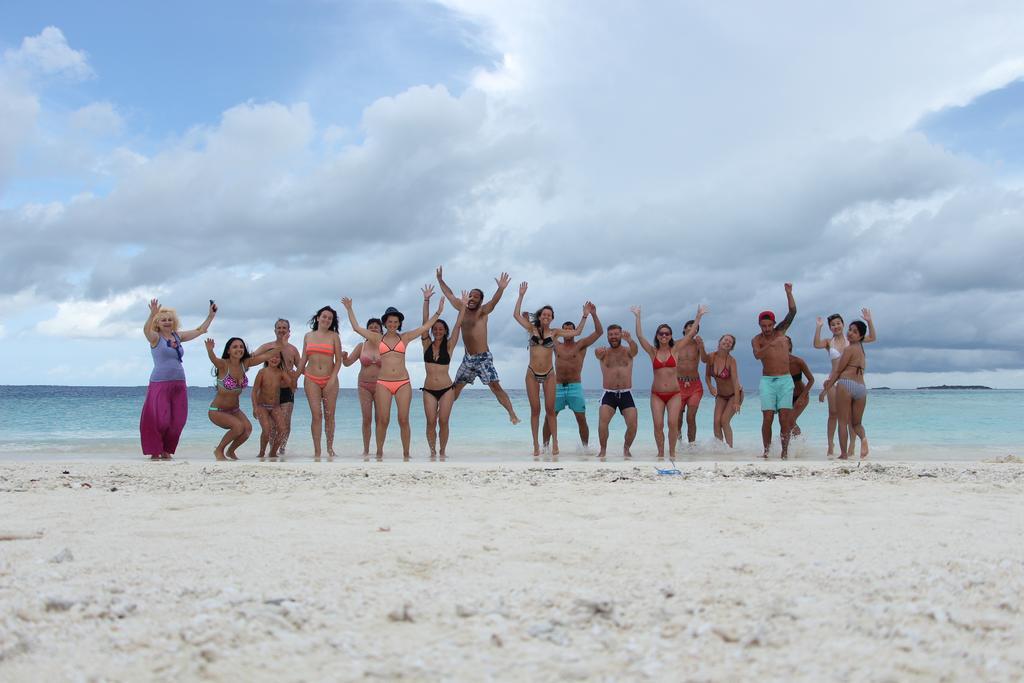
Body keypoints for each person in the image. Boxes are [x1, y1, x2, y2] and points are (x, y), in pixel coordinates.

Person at [341, 297, 444, 459]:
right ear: (385, 323)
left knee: (403, 419)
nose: (393, 324)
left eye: (396, 322)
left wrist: (438, 311)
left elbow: (425, 326)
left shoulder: (405, 337)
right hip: (383, 383)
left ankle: (406, 454)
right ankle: (379, 452)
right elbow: (356, 327)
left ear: (399, 323)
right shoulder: (377, 338)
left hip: (403, 382)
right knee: (383, 420)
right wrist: (349, 308)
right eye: (390, 322)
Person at [435, 266, 520, 424]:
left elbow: (494, 302)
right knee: (456, 387)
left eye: (476, 297)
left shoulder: (482, 312)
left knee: (495, 386)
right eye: (471, 296)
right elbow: (449, 294)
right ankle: (440, 412)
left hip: (483, 359)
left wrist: (500, 289)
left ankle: (512, 413)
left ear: (480, 301)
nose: (472, 299)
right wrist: (440, 280)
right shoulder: (462, 308)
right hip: (468, 359)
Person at [140, 299, 217, 460]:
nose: (167, 322)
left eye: (169, 319)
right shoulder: (155, 338)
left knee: (178, 419)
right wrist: (152, 314)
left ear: (173, 322)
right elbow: (145, 330)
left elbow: (200, 330)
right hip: (159, 383)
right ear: (158, 323)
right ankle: (156, 450)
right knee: (160, 419)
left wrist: (210, 316)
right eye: (163, 320)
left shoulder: (177, 336)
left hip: (179, 383)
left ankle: (167, 450)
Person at [512, 283, 582, 456]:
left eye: (549, 315)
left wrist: (585, 316)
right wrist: (520, 295)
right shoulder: (531, 329)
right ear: (540, 316)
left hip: (550, 374)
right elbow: (515, 315)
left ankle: (555, 443)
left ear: (552, 318)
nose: (546, 316)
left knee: (550, 410)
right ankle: (536, 446)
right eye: (544, 314)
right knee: (535, 410)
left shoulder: (556, 332)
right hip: (531, 373)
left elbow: (577, 332)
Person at [632, 304, 707, 459]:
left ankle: (672, 453)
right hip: (657, 394)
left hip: (674, 394)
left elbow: (690, 333)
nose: (664, 336)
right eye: (661, 333)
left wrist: (698, 316)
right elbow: (640, 336)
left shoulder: (676, 349)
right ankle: (660, 453)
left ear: (671, 336)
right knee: (658, 425)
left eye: (667, 333)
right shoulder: (652, 351)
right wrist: (638, 316)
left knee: (673, 424)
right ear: (657, 336)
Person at [813, 309, 876, 456]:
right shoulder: (830, 342)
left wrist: (869, 321)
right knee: (833, 414)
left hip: (844, 380)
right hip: (834, 380)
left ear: (843, 324)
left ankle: (852, 445)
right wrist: (818, 327)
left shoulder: (852, 340)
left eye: (838, 323)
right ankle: (830, 445)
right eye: (833, 325)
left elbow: (872, 337)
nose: (836, 326)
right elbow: (816, 344)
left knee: (848, 417)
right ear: (830, 328)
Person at [543, 302, 603, 450]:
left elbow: (599, 332)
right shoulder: (555, 344)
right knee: (549, 417)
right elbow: (541, 332)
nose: (568, 332)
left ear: (575, 331)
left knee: (581, 418)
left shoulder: (581, 344)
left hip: (575, 386)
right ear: (562, 331)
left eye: (571, 329)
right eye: (565, 329)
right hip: (557, 387)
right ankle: (544, 447)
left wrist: (593, 314)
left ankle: (585, 448)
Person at [205, 337, 276, 460]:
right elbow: (214, 360)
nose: (239, 349)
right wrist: (210, 350)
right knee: (238, 427)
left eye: (241, 347)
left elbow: (265, 357)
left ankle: (230, 451)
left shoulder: (245, 364)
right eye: (235, 347)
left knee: (247, 429)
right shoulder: (223, 364)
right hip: (217, 410)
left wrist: (281, 344)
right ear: (229, 351)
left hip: (234, 410)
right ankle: (219, 450)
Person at [420, 285, 468, 459]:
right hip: (429, 390)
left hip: (447, 389)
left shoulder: (449, 345)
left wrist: (463, 306)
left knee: (444, 421)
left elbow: (458, 325)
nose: (438, 331)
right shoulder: (426, 343)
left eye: (441, 329)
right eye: (435, 329)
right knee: (431, 422)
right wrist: (426, 300)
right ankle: (432, 451)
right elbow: (424, 323)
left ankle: (442, 451)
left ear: (445, 331)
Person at [751, 283, 797, 458]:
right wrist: (770, 344)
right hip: (767, 381)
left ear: (774, 324)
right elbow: (757, 355)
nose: (767, 329)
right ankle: (766, 451)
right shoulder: (757, 339)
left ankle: (784, 452)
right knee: (767, 418)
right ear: (760, 325)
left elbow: (793, 312)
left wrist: (789, 293)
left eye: (770, 325)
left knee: (784, 419)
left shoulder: (781, 331)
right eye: (764, 326)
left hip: (785, 380)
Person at [299, 306, 344, 458]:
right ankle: (317, 451)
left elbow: (338, 360)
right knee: (316, 415)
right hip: (311, 378)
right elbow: (303, 359)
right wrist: (295, 377)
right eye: (324, 316)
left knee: (329, 415)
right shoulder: (308, 336)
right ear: (318, 318)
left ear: (332, 322)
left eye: (330, 318)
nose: (326, 320)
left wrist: (331, 379)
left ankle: (330, 449)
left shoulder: (334, 336)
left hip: (330, 379)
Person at [252, 319, 301, 455]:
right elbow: (252, 357)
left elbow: (301, 367)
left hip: (286, 390)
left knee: (285, 423)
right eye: (279, 327)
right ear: (274, 330)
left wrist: (294, 378)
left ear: (289, 331)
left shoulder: (292, 349)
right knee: (271, 425)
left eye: (284, 328)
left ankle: (282, 448)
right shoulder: (267, 347)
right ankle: (272, 448)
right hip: (268, 391)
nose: (281, 330)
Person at [341, 317, 384, 455]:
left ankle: (379, 450)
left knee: (380, 419)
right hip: (364, 385)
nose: (373, 328)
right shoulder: (361, 346)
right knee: (367, 419)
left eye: (376, 327)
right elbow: (347, 363)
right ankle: (366, 450)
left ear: (381, 330)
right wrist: (344, 357)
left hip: (381, 385)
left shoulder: (385, 346)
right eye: (370, 326)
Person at [595, 324, 639, 457]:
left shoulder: (628, 351)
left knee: (633, 424)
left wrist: (630, 340)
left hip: (626, 393)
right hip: (609, 394)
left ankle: (626, 448)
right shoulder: (603, 353)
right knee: (603, 422)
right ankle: (603, 450)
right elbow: (596, 354)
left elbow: (635, 351)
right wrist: (597, 352)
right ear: (608, 336)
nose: (613, 337)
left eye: (616, 334)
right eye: (611, 334)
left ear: (621, 335)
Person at [705, 334, 744, 448]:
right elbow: (707, 376)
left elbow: (736, 381)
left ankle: (730, 449)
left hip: (734, 394)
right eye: (725, 340)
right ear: (720, 341)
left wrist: (737, 401)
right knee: (716, 423)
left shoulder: (732, 361)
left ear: (731, 347)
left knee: (724, 421)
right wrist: (710, 386)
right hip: (721, 396)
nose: (727, 342)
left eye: (730, 342)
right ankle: (720, 450)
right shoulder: (711, 357)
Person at [674, 317, 709, 445]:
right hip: (678, 385)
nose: (692, 329)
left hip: (695, 386)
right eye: (689, 326)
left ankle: (692, 446)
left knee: (691, 417)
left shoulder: (698, 344)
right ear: (684, 329)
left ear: (696, 332)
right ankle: (678, 444)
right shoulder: (676, 344)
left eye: (695, 328)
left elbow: (705, 360)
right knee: (678, 418)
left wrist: (702, 346)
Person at [787, 337, 814, 437]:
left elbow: (811, 380)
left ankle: (799, 443)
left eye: (785, 343)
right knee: (785, 423)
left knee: (790, 420)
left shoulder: (798, 362)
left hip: (801, 395)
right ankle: (791, 447)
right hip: (787, 397)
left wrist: (802, 397)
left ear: (789, 346)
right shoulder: (778, 364)